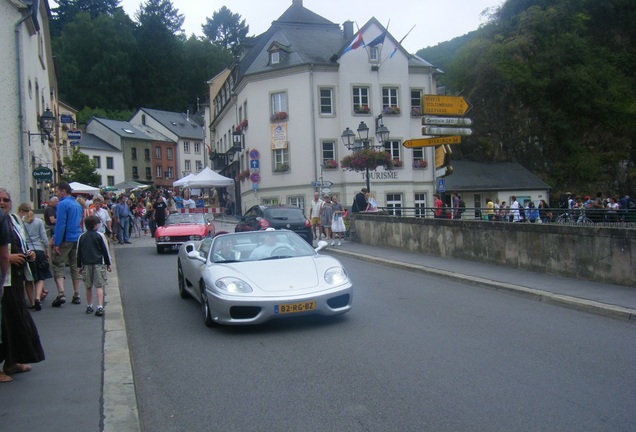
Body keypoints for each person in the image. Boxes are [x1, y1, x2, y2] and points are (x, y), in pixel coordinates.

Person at [0, 188, 45, 383]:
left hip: (15, 279)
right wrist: (8, 257)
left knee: (17, 322)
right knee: (4, 326)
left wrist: (28, 253)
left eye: (6, 200)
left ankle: (12, 361)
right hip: (4, 280)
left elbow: (21, 241)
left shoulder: (13, 220)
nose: (2, 203)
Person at [52, 181, 84, 307]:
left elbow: (61, 224)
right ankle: (77, 294)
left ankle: (61, 293)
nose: (56, 193)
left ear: (63, 191)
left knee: (58, 264)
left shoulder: (62, 204)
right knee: (75, 266)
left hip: (66, 238)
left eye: (57, 191)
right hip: (77, 237)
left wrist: (56, 241)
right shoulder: (77, 205)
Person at [17, 203, 52, 311]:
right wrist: (47, 250)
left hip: (27, 251)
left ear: (20, 211)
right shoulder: (38, 222)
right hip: (39, 250)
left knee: (28, 278)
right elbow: (44, 237)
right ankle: (37, 297)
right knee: (40, 277)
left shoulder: (21, 223)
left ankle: (31, 302)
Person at [77, 216, 112, 317]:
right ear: (95, 225)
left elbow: (79, 253)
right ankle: (100, 306)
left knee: (88, 286)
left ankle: (89, 305)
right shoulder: (100, 236)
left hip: (86, 263)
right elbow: (105, 251)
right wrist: (108, 263)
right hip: (98, 262)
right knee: (99, 286)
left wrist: (79, 265)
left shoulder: (82, 237)